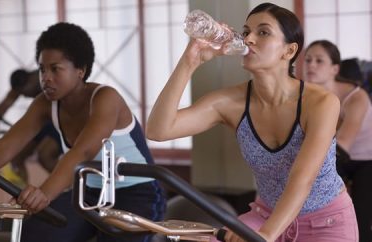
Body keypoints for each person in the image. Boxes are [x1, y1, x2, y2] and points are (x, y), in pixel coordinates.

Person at [147, 3, 358, 242]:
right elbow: (158, 130)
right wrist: (190, 62)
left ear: (289, 51)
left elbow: (302, 179)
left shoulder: (321, 103)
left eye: (263, 32)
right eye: (246, 32)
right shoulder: (230, 102)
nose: (248, 39)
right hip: (265, 216)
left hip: (325, 222)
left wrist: (266, 235)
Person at [0, 22, 165, 242]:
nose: (46, 77)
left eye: (55, 69)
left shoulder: (105, 98)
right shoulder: (44, 105)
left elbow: (83, 152)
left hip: (137, 193)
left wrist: (44, 193)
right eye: (42, 69)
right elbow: (4, 147)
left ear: (80, 70)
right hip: (88, 194)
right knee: (34, 236)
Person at [304, 39, 372, 242]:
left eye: (319, 61)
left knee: (360, 217)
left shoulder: (356, 97)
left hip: (364, 159)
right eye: (307, 60)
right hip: (330, 156)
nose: (311, 66)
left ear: (335, 69)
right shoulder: (305, 93)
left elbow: (342, 144)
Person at [0, 68, 62, 184]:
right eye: (21, 94)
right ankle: (21, 193)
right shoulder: (22, 84)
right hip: (45, 121)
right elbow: (4, 105)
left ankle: (70, 186)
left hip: (61, 119)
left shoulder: (47, 79)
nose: (24, 96)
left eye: (24, 93)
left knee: (45, 155)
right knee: (17, 157)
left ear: (30, 81)